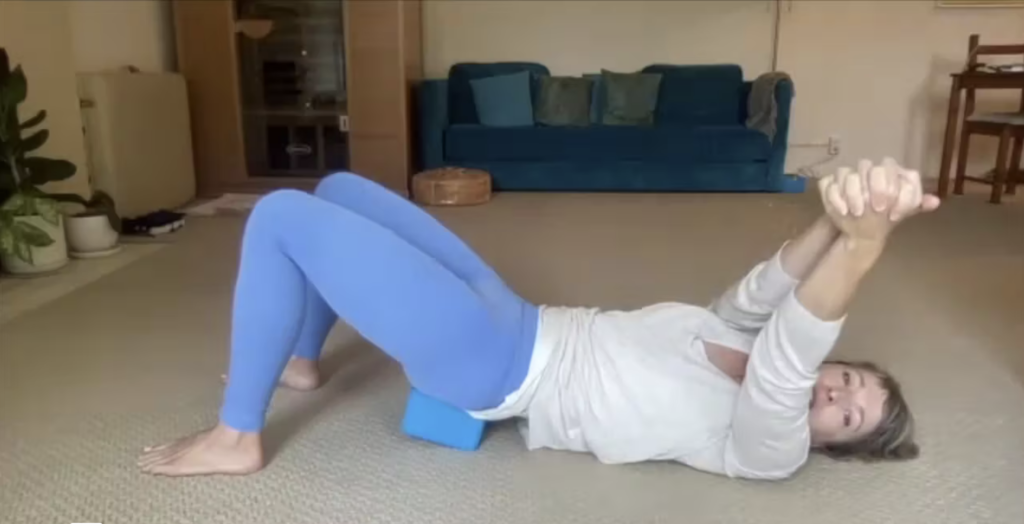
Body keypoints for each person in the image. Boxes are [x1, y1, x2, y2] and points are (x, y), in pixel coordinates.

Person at [138, 157, 939, 480]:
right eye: (850, 380)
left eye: (848, 413)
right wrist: (842, 212)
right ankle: (304, 359)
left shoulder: (770, 446)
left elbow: (791, 356)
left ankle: (237, 436)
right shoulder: (737, 336)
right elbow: (776, 287)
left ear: (832, 443)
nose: (833, 392)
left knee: (280, 216)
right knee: (338, 190)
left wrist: (868, 245)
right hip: (520, 316)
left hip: (498, 368)